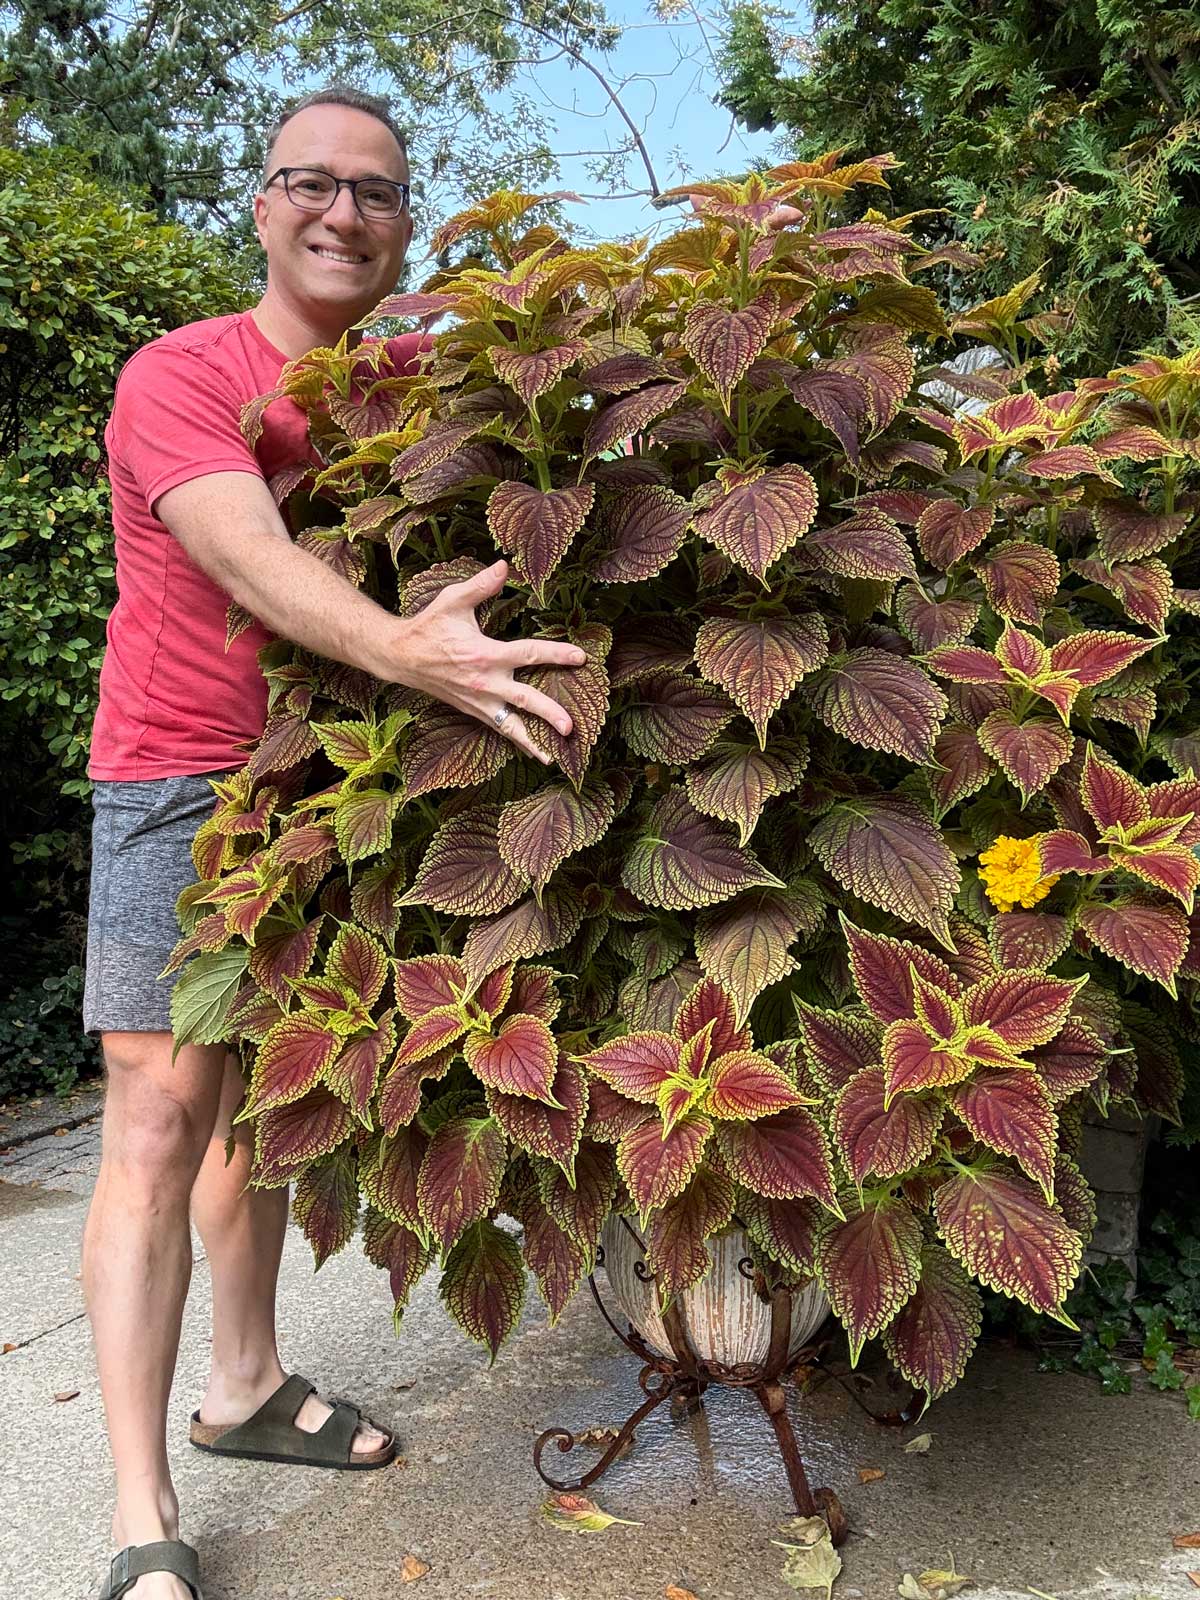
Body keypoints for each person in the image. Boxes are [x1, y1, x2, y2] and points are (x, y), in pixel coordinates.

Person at [82, 86, 587, 1600]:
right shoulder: (185, 374)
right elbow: (245, 547)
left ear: (405, 220)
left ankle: (243, 1388)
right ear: (261, 203)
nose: (343, 214)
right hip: (184, 776)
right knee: (162, 1118)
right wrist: (410, 653)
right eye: (312, 182)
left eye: (375, 192)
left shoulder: (426, 387)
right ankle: (139, 1518)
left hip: (350, 780)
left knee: (270, 1108)